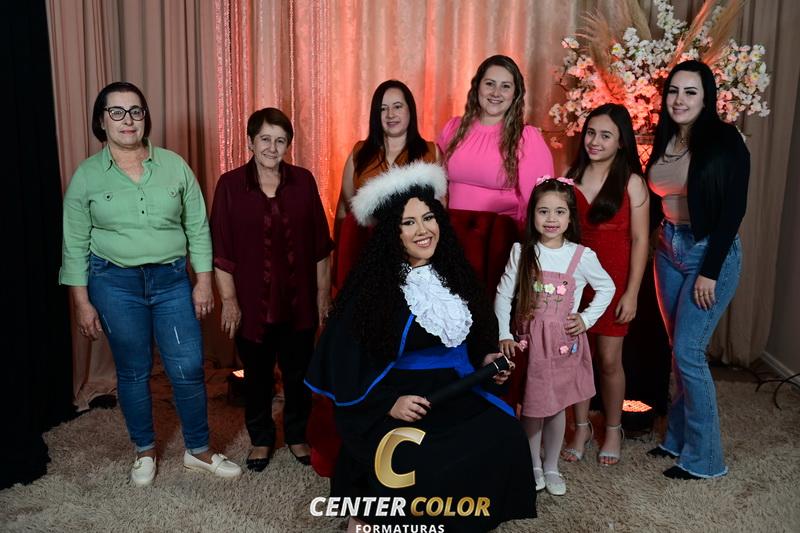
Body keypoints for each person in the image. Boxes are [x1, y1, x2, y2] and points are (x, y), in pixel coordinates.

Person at [306, 162, 536, 532]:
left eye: (428, 218)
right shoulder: (374, 287)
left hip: (457, 386)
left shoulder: (455, 273)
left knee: (504, 433)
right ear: (392, 233)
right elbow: (343, 361)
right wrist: (388, 402)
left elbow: (475, 335)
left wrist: (488, 359)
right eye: (409, 223)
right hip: (401, 395)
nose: (423, 230)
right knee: (413, 454)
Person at [60, 81, 242, 486]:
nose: (128, 120)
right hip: (113, 283)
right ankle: (144, 449)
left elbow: (197, 227)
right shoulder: (87, 176)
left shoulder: (174, 166)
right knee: (133, 370)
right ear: (102, 121)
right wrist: (82, 302)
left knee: (188, 365)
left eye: (136, 111)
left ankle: (199, 449)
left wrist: (203, 282)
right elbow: (74, 243)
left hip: (172, 280)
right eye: (117, 112)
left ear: (145, 118)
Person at [210, 108, 333, 471]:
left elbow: (321, 246)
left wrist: (322, 296)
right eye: (265, 139)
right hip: (252, 303)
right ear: (250, 141)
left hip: (299, 301)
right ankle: (261, 439)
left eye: (280, 141)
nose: (272, 147)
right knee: (257, 375)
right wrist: (229, 301)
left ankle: (296, 435)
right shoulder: (230, 185)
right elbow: (222, 250)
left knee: (299, 374)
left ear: (288, 145)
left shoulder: (304, 182)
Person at [645, 60, 749, 480]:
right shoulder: (666, 137)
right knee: (678, 349)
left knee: (689, 351)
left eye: (690, 92)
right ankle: (677, 438)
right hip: (668, 249)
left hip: (709, 253)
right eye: (673, 90)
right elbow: (660, 195)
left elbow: (733, 210)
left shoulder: (726, 140)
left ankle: (706, 460)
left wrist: (710, 269)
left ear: (707, 98)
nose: (679, 99)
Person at [495, 177, 614, 496]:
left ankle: (551, 466)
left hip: (562, 346)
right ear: (532, 214)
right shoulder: (523, 252)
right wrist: (504, 332)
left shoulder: (581, 256)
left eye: (559, 212)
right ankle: (533, 463)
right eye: (543, 211)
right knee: (533, 407)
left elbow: (607, 287)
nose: (551, 219)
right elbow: (503, 295)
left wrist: (586, 318)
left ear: (571, 217)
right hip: (532, 344)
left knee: (557, 407)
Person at [560, 104, 650, 466]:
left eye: (606, 135)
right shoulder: (570, 177)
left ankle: (613, 428)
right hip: (575, 283)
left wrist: (632, 292)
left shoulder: (631, 182)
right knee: (578, 359)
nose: (595, 141)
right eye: (591, 133)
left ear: (621, 142)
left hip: (613, 284)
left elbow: (640, 241)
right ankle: (581, 427)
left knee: (610, 360)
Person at [437, 54, 554, 223]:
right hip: (454, 228)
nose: (496, 93)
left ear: (515, 94)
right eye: (489, 84)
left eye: (505, 86)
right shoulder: (453, 128)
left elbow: (540, 201)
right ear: (477, 86)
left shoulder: (526, 138)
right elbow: (437, 185)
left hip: (500, 232)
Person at [336, 80, 439, 220]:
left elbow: (440, 208)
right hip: (367, 234)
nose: (390, 114)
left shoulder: (431, 152)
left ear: (410, 109)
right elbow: (345, 207)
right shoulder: (359, 152)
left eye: (397, 106)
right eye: (383, 109)